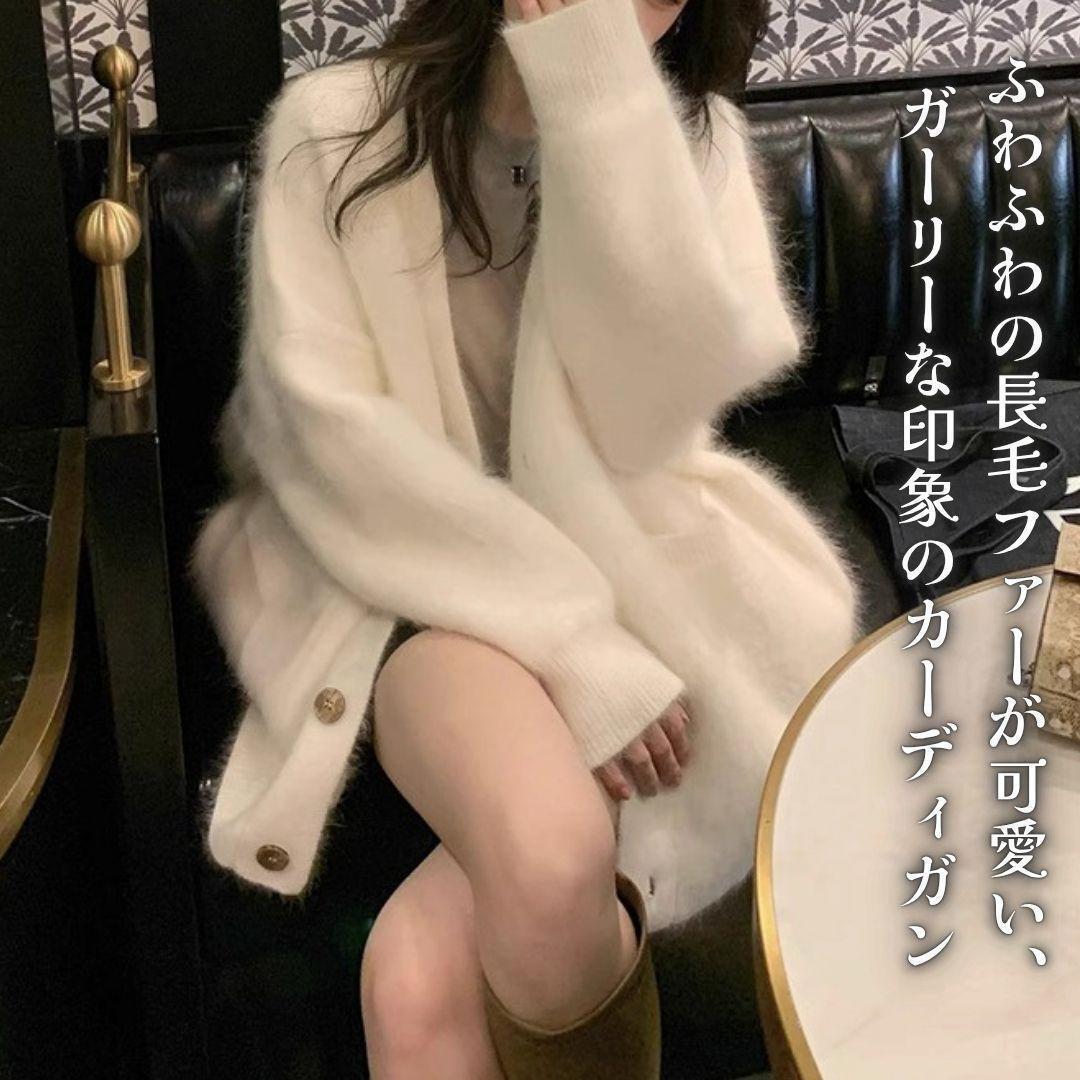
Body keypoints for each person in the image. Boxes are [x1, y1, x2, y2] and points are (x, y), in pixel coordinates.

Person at [188, 0, 862, 1076]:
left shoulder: (692, 136)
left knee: (413, 985)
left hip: (639, 567)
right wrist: (573, 643)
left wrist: (597, 101)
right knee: (550, 858)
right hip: (411, 583)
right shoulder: (335, 129)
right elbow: (332, 445)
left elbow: (650, 421)